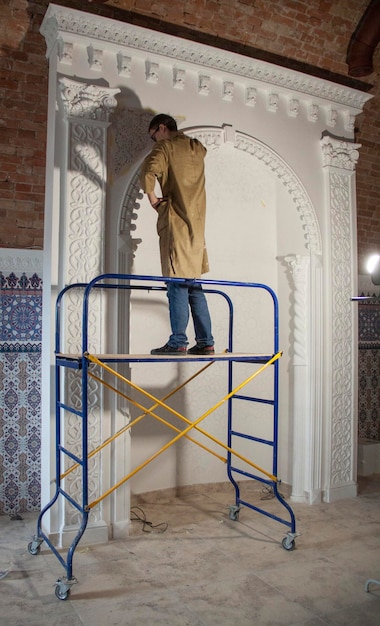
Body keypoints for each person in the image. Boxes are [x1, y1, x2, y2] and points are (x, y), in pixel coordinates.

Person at [140, 113, 214, 355]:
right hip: (198, 227)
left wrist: (153, 199)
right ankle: (205, 342)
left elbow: (149, 172)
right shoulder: (196, 147)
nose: (154, 141)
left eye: (154, 136)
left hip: (177, 224)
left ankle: (178, 341)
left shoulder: (166, 147)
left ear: (162, 128)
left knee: (177, 284)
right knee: (194, 285)